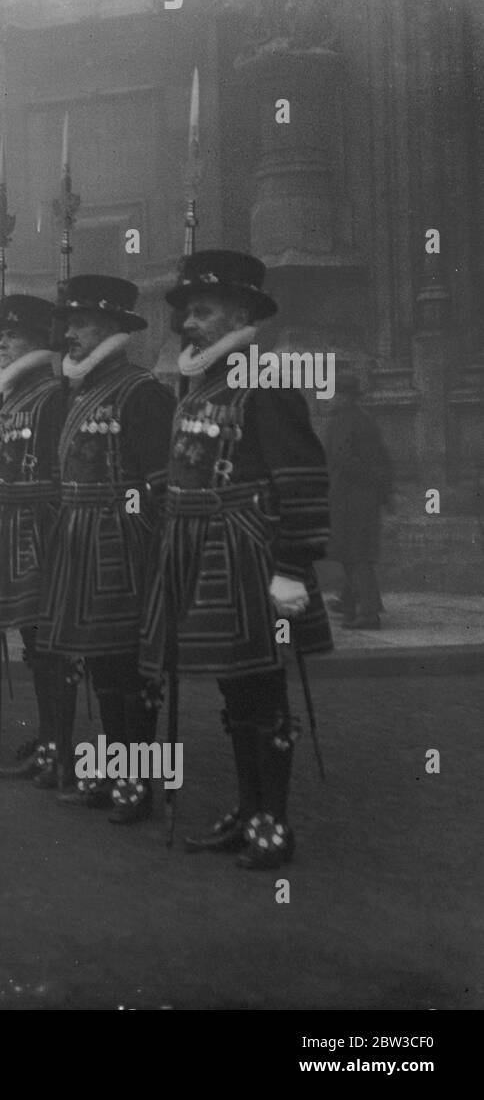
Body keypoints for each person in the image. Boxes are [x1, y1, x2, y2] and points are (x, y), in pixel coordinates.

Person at [138, 250, 332, 869]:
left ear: (242, 313)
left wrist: (293, 569)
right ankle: (248, 810)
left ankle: (274, 822)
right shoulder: (201, 384)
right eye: (186, 313)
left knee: (264, 689)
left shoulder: (267, 381)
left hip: (253, 557)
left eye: (203, 311)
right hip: (202, 555)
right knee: (234, 690)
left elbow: (300, 480)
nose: (189, 324)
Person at [35, 277, 174, 820]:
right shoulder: (80, 392)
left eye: (81, 323)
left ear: (114, 329)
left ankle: (137, 782)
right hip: (79, 545)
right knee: (100, 668)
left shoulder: (140, 392)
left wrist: (125, 524)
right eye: (68, 323)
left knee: (128, 669)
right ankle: (117, 771)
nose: (69, 333)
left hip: (121, 554)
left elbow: (159, 486)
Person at [0, 294, 79, 779]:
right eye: (1, 336)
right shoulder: (9, 399)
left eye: (13, 336)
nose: (3, 344)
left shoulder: (54, 396)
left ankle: (59, 743)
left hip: (45, 530)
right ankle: (48, 734)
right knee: (34, 644)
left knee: (51, 641)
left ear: (37, 340)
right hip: (7, 528)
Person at [325, 373, 391, 630]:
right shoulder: (365, 419)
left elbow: (343, 460)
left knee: (355, 554)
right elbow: (383, 458)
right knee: (355, 552)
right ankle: (349, 600)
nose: (330, 399)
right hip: (365, 498)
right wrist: (380, 488)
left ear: (344, 397)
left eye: (333, 394)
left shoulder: (343, 421)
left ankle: (368, 613)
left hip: (349, 498)